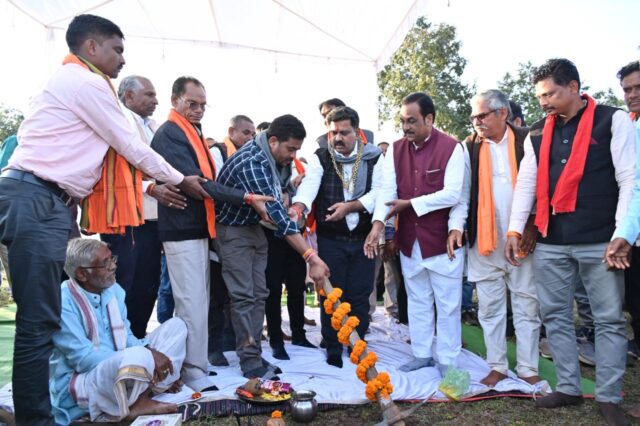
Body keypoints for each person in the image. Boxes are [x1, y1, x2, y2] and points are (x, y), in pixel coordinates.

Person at [0, 14, 209, 424]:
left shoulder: (78, 82)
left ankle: (53, 406)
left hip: (50, 202)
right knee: (39, 320)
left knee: (51, 314)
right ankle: (37, 418)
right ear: (91, 47)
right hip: (36, 198)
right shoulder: (86, 82)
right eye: (117, 50)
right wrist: (180, 179)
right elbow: (130, 146)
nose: (122, 59)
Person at [505, 58, 635, 425]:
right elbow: (527, 183)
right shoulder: (536, 132)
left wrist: (623, 233)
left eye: (550, 94)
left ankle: (608, 396)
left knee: (609, 320)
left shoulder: (613, 120)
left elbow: (629, 178)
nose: (543, 101)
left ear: (574, 87)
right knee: (555, 315)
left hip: (601, 240)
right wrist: (515, 229)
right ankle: (568, 387)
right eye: (539, 96)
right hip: (551, 240)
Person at [151, 76, 272, 391]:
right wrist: (246, 197)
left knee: (198, 303)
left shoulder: (190, 130)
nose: (198, 110)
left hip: (199, 228)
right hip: (182, 231)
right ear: (175, 100)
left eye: (203, 105)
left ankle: (195, 366)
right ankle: (192, 373)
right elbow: (199, 185)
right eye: (192, 103)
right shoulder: (170, 133)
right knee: (191, 305)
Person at [215, 114, 330, 378]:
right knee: (244, 296)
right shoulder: (253, 161)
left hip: (255, 229)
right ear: (274, 140)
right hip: (233, 232)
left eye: (297, 150)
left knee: (259, 294)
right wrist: (311, 256)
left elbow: (279, 196)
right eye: (290, 149)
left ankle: (255, 354)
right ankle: (249, 362)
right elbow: (278, 216)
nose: (293, 156)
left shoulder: (273, 158)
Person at [365, 92, 466, 374]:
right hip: (410, 241)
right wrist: (377, 225)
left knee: (447, 305)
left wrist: (410, 204)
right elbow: (387, 191)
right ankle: (421, 354)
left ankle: (448, 360)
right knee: (418, 300)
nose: (406, 127)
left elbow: (453, 194)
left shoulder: (452, 148)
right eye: (403, 121)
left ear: (429, 119)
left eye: (412, 121)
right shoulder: (395, 150)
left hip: (442, 241)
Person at [449, 89, 540, 386]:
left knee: (526, 303)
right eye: (473, 116)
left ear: (502, 113)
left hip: (522, 235)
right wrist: (457, 227)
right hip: (484, 237)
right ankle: (497, 365)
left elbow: (540, 185)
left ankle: (528, 368)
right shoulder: (468, 147)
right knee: (489, 306)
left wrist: (531, 225)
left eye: (482, 115)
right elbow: (463, 193)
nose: (476, 121)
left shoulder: (528, 139)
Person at [50, 238, 186, 424]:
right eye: (105, 263)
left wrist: (150, 352)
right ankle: (138, 400)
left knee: (176, 327)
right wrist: (144, 355)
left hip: (120, 365)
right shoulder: (62, 303)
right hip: (85, 381)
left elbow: (127, 336)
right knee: (140, 355)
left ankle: (146, 389)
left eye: (112, 259)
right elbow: (83, 359)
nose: (113, 266)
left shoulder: (113, 290)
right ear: (81, 274)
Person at [291, 106, 383, 367]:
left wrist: (351, 207)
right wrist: (299, 206)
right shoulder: (321, 156)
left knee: (360, 295)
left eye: (344, 132)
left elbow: (380, 192)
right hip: (331, 239)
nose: (338, 138)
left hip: (364, 239)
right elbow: (310, 185)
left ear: (357, 132)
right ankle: (332, 346)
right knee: (331, 295)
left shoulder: (374, 157)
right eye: (334, 133)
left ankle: (356, 343)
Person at [100, 75, 185, 339]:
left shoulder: (154, 126)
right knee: (124, 283)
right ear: (128, 96)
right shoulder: (117, 120)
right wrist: (148, 187)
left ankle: (136, 340)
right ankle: (117, 345)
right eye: (149, 95)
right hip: (125, 217)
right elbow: (110, 169)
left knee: (148, 285)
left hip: (153, 219)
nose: (156, 101)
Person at [607, 60, 640, 367]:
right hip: (631, 232)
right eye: (627, 89)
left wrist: (625, 233)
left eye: (638, 88)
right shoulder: (629, 125)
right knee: (634, 301)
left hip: (631, 230)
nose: (632, 95)